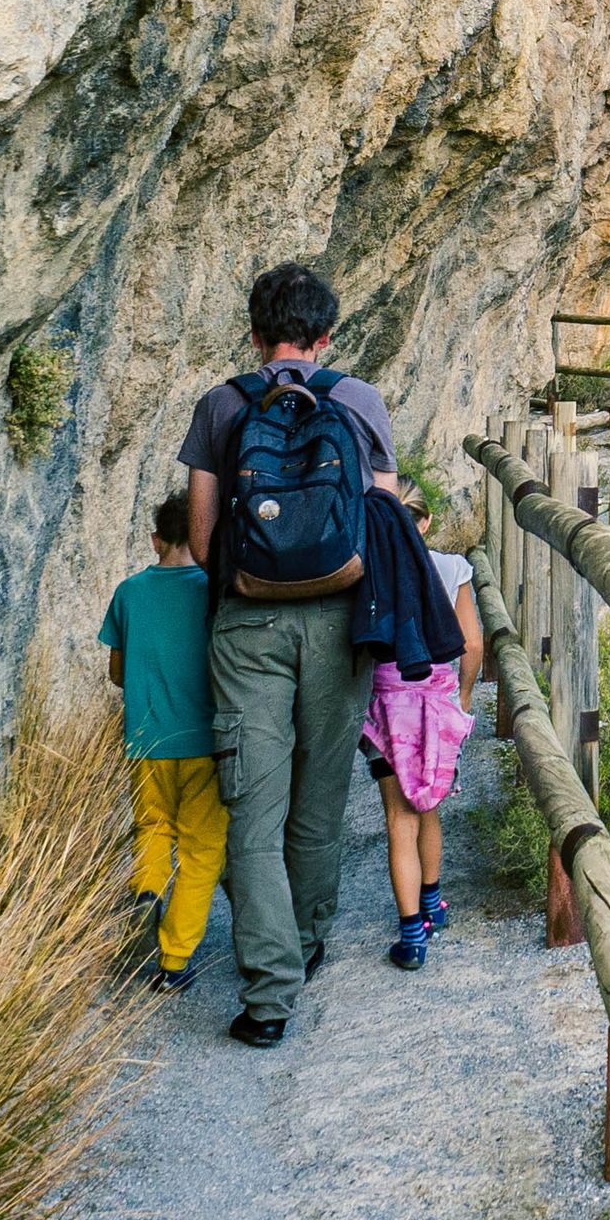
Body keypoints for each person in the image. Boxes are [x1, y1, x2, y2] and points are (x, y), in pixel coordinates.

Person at [181, 261, 403, 1049]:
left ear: (253, 332)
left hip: (247, 625)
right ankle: (306, 945)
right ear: (327, 335)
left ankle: (269, 995)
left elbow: (205, 539)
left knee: (253, 806)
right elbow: (383, 515)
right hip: (343, 621)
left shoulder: (221, 405)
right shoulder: (360, 401)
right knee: (318, 802)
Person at [101, 491, 224, 992]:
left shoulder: (128, 593)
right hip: (204, 740)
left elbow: (117, 673)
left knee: (152, 827)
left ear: (155, 540)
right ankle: (174, 960)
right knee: (201, 850)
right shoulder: (213, 591)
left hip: (146, 740)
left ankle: (147, 890)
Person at [363, 483, 481, 969]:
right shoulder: (452, 568)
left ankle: (412, 935)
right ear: (426, 521)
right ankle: (434, 902)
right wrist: (464, 695)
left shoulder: (367, 571)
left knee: (398, 819)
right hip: (436, 700)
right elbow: (470, 644)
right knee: (429, 803)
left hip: (388, 704)